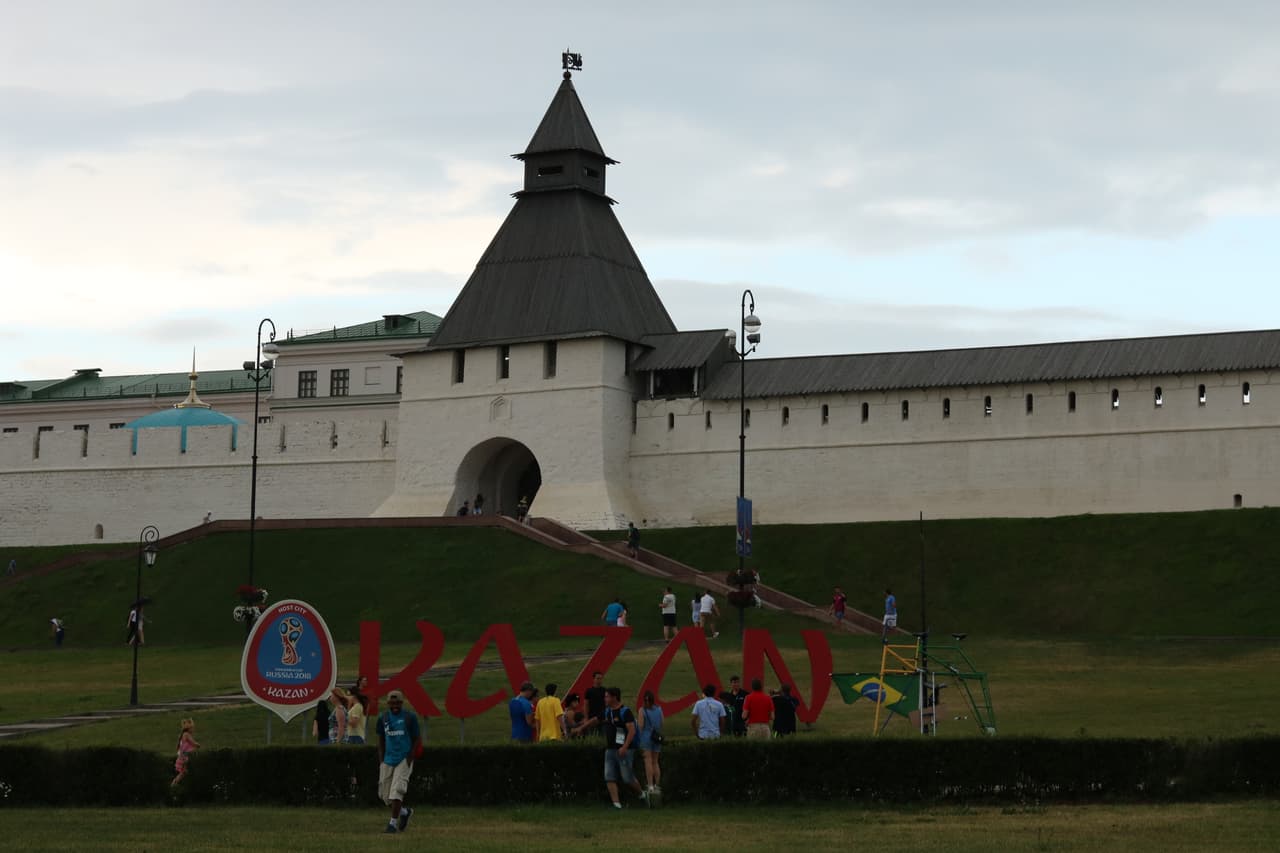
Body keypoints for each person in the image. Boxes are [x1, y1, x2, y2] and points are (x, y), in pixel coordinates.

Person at [376, 689, 422, 834]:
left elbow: (416, 738)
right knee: (384, 795)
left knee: (397, 791)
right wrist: (381, 760)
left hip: (403, 758)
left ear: (402, 703)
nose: (395, 705)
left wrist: (410, 757)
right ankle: (404, 812)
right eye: (392, 703)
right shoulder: (383, 718)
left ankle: (392, 824)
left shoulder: (410, 717)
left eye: (398, 703)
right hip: (388, 759)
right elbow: (381, 740)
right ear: (388, 703)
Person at [601, 686, 646, 808]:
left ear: (614, 697)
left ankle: (642, 794)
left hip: (624, 749)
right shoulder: (607, 711)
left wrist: (625, 747)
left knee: (627, 777)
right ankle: (616, 804)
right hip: (610, 749)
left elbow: (631, 731)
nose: (605, 699)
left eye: (607, 696)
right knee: (609, 777)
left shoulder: (625, 712)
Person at [635, 689, 664, 794]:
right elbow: (661, 723)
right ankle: (657, 784)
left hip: (646, 737)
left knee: (647, 761)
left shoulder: (642, 710)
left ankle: (650, 785)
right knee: (655, 761)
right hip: (656, 737)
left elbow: (641, 726)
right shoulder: (659, 709)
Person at [171, 718, 201, 786]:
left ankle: (175, 783)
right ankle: (174, 783)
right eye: (192, 728)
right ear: (189, 729)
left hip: (184, 754)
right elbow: (192, 742)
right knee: (184, 771)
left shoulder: (185, 734)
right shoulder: (186, 734)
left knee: (184, 772)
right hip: (185, 755)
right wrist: (197, 745)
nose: (193, 730)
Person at [584, 671, 607, 737]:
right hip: (591, 717)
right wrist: (586, 718)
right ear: (593, 679)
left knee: (603, 736)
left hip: (602, 718)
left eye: (601, 678)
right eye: (597, 678)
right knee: (591, 736)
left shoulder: (604, 691)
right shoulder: (589, 691)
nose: (599, 680)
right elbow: (586, 705)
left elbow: (607, 704)